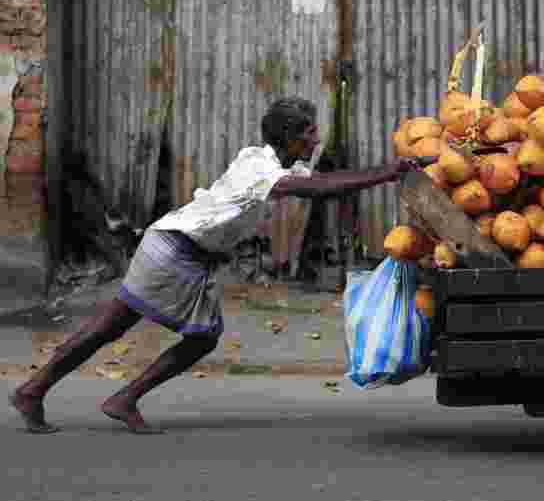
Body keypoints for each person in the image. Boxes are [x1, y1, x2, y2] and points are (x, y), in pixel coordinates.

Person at [9, 96, 421, 434]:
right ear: (290, 139)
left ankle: (69, 393)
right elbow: (317, 189)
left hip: (184, 253)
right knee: (127, 329)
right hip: (173, 251)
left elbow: (315, 180)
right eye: (310, 132)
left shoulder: (272, 160)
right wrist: (386, 173)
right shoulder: (260, 169)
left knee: (133, 330)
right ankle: (91, 395)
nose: (317, 138)